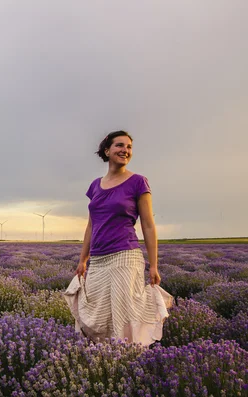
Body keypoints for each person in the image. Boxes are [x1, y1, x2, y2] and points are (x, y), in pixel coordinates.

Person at [64, 130, 173, 346]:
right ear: (107, 150)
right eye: (120, 145)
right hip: (98, 259)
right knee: (99, 313)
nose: (125, 150)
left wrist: (153, 265)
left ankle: (128, 357)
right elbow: (91, 225)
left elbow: (148, 225)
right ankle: (106, 357)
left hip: (125, 255)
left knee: (123, 314)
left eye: (129, 147)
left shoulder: (138, 182)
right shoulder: (95, 185)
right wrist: (82, 259)